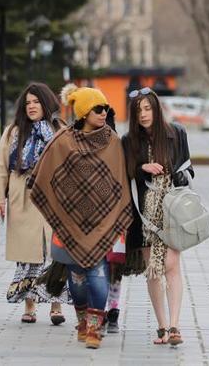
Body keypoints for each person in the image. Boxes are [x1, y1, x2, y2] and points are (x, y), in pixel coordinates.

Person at [30, 84, 133, 350]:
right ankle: (83, 320)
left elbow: (118, 182)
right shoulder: (63, 140)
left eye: (106, 109)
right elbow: (46, 178)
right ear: (85, 112)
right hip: (69, 222)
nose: (104, 113)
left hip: (103, 222)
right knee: (76, 277)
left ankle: (95, 328)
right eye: (98, 109)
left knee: (98, 273)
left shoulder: (112, 141)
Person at [0, 83, 68, 324]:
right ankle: (29, 305)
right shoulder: (13, 132)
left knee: (55, 252)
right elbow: (1, 168)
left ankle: (56, 305)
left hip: (52, 199)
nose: (32, 106)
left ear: (46, 104)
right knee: (28, 256)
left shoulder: (60, 130)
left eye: (36, 102)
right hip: (22, 198)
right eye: (28, 103)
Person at [123, 87, 193, 346]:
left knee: (172, 266)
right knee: (153, 271)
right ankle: (162, 326)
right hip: (143, 215)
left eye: (147, 108)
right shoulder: (129, 140)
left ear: (156, 108)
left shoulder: (176, 133)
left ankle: (175, 325)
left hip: (171, 210)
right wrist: (142, 168)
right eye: (138, 110)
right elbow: (125, 173)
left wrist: (178, 174)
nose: (143, 114)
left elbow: (188, 167)